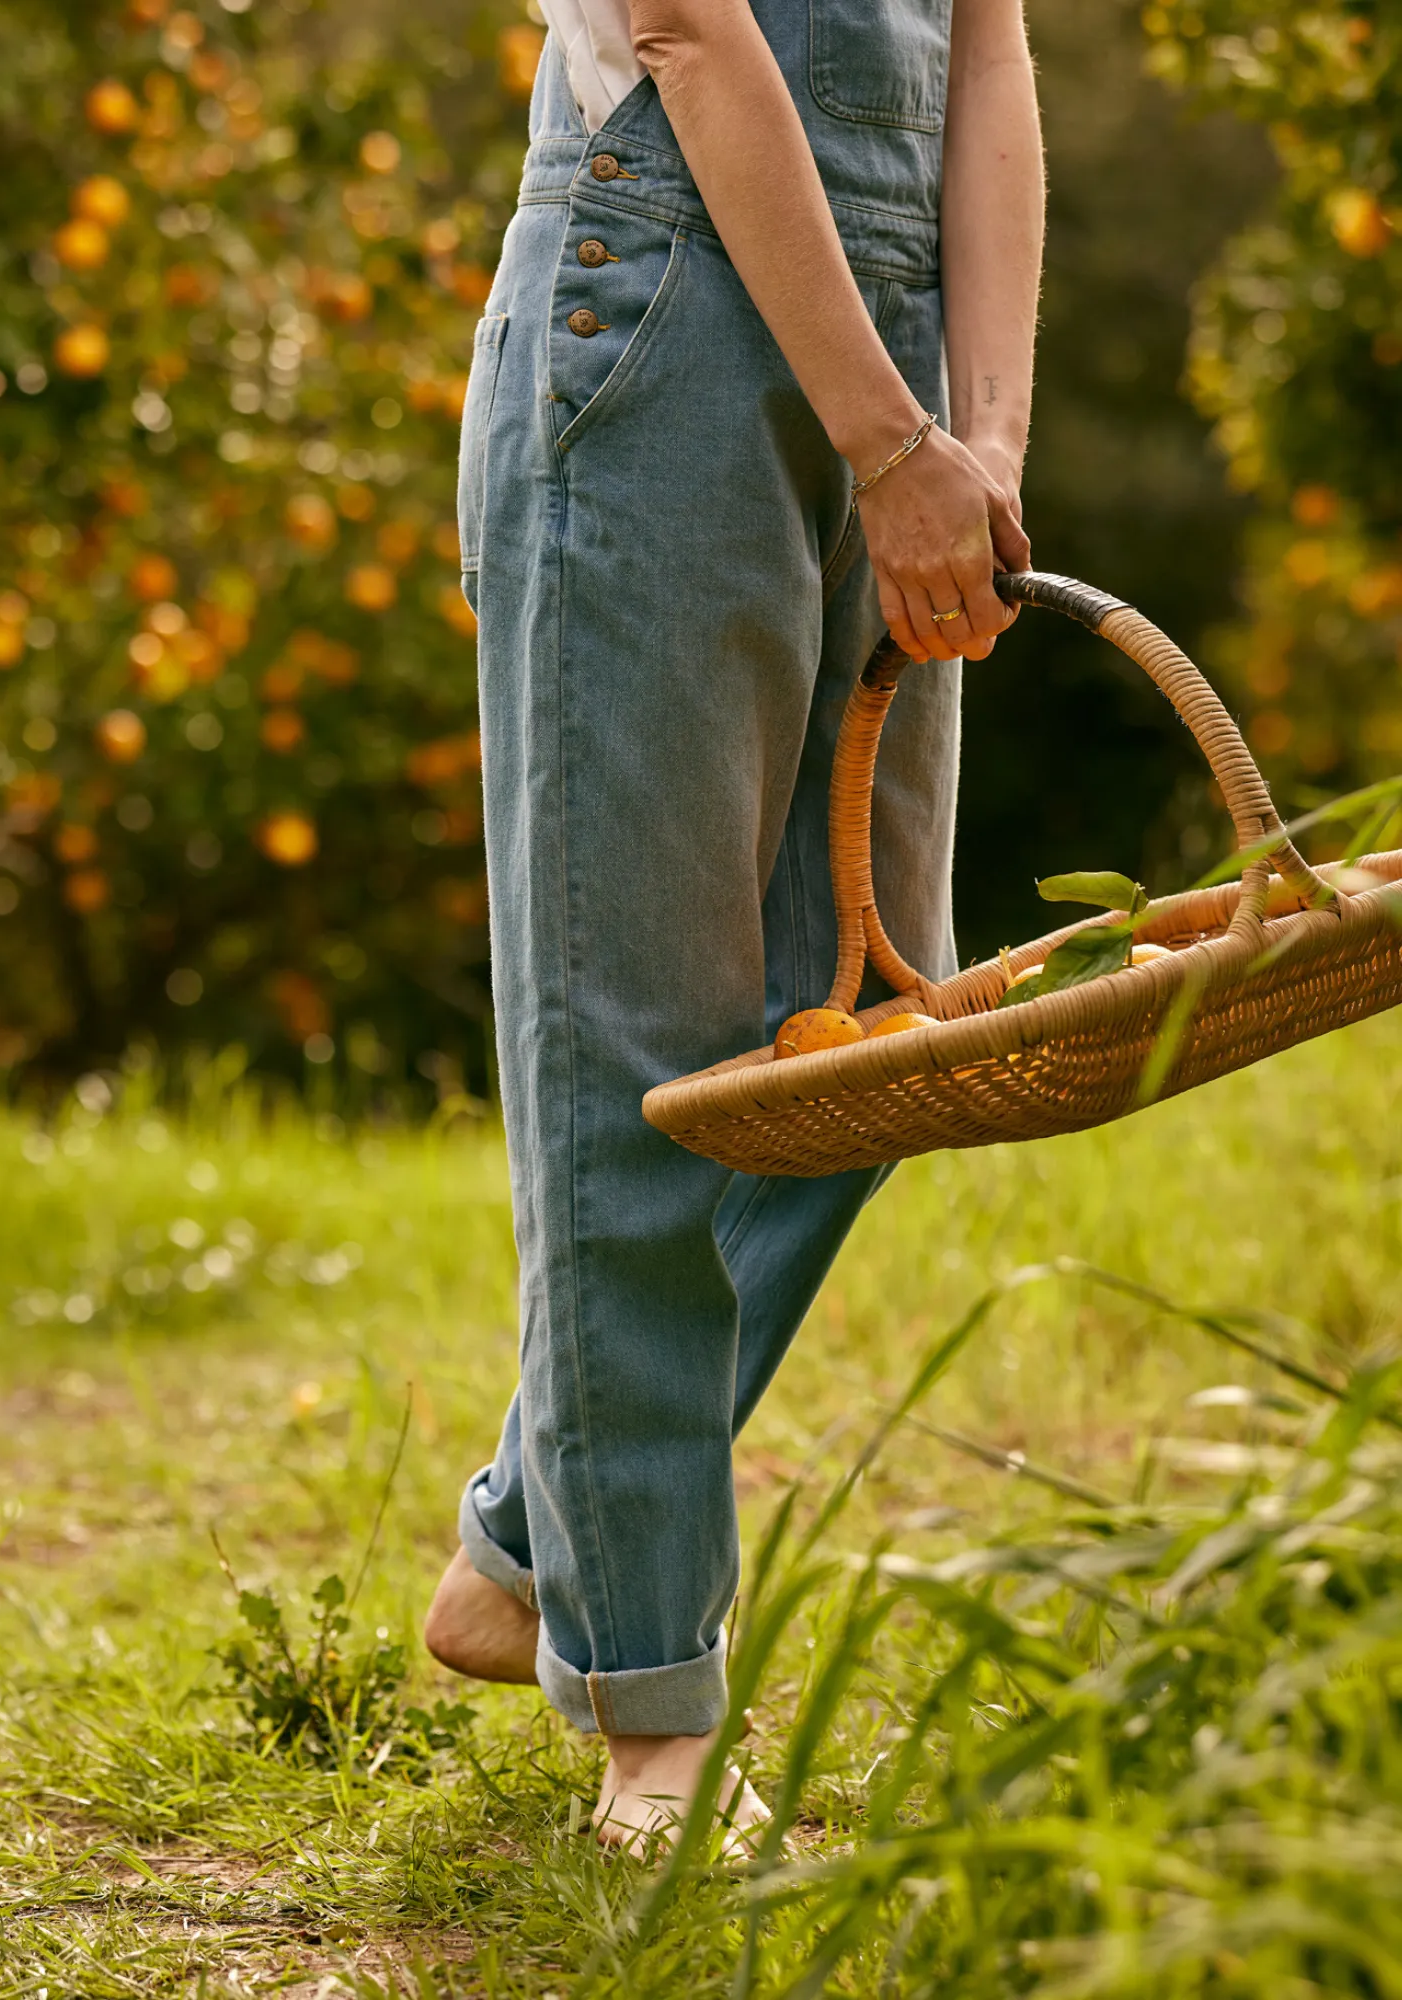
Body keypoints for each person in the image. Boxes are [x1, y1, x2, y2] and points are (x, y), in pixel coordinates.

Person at [423, 0, 1043, 1850]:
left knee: (871, 1040)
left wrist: (981, 434)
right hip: (660, 321)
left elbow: (993, 55)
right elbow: (691, 32)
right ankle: (653, 1721)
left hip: (910, 373)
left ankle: (538, 1533)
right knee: (643, 1041)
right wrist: (888, 440)